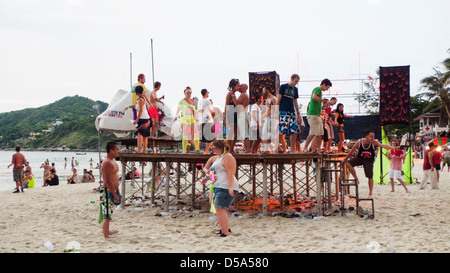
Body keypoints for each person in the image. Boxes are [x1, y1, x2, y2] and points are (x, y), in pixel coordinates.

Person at [200, 140, 239, 237]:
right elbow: (217, 173)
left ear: (220, 148)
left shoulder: (228, 157)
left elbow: (231, 172)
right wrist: (207, 178)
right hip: (218, 185)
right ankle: (224, 229)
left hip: (225, 186)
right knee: (218, 208)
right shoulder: (218, 158)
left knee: (220, 208)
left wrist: (230, 187)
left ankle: (225, 232)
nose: (213, 150)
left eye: (215, 148)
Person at [343, 129, 396, 197]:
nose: (372, 138)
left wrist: (393, 147)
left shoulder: (374, 142)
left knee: (370, 176)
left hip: (369, 160)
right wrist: (345, 159)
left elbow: (383, 146)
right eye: (371, 136)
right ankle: (356, 179)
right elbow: (351, 151)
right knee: (348, 163)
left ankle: (370, 193)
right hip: (360, 158)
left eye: (373, 136)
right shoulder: (360, 142)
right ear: (366, 136)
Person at [304, 79, 332, 153]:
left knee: (320, 133)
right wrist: (322, 101)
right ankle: (305, 147)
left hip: (317, 114)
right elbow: (314, 97)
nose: (327, 89)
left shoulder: (319, 91)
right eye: (327, 87)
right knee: (313, 132)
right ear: (324, 84)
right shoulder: (318, 89)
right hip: (313, 114)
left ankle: (318, 148)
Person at [100, 141, 121, 239]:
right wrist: (115, 194)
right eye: (117, 149)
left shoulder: (112, 160)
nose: (118, 151)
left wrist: (117, 191)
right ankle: (106, 236)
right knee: (107, 215)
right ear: (111, 150)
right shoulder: (107, 162)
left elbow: (114, 176)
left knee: (109, 213)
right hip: (107, 191)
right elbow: (108, 181)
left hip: (112, 190)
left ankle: (107, 231)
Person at [277, 74, 301, 153]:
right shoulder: (283, 87)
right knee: (282, 130)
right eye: (295, 81)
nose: (296, 83)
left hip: (291, 111)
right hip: (283, 110)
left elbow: (295, 101)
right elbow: (279, 99)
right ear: (291, 79)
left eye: (297, 82)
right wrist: (276, 110)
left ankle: (292, 148)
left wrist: (298, 113)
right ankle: (278, 146)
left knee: (294, 129)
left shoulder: (295, 89)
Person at [175, 87, 201, 153]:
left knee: (196, 133)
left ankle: (197, 149)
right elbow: (178, 109)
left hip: (191, 118)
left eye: (190, 93)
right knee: (185, 134)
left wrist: (197, 119)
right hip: (184, 119)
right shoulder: (181, 101)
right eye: (187, 93)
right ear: (184, 93)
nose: (189, 94)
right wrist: (175, 116)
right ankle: (184, 150)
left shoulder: (192, 101)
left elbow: (194, 111)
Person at [133, 85, 152, 153]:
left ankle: (139, 150)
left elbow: (140, 110)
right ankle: (143, 151)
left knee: (140, 135)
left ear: (137, 92)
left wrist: (137, 120)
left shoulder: (141, 99)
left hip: (142, 118)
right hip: (146, 118)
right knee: (145, 136)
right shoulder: (142, 98)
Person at [224, 79, 241, 153]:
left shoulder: (234, 94)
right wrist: (225, 118)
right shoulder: (230, 94)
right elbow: (226, 105)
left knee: (237, 133)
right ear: (234, 86)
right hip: (231, 114)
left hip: (235, 114)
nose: (239, 87)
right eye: (238, 86)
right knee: (231, 132)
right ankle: (228, 149)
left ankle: (231, 148)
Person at [261, 86, 278, 154]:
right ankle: (266, 150)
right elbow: (266, 110)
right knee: (264, 135)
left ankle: (277, 149)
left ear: (267, 90)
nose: (263, 92)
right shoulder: (266, 100)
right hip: (268, 118)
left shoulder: (273, 99)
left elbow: (276, 108)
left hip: (272, 118)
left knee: (273, 135)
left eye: (263, 90)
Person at [199, 89, 215, 154]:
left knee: (202, 137)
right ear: (206, 93)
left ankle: (198, 149)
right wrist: (212, 117)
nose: (208, 94)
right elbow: (212, 111)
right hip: (208, 121)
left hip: (201, 120)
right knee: (209, 137)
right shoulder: (207, 101)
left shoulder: (200, 101)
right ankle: (206, 151)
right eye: (208, 92)